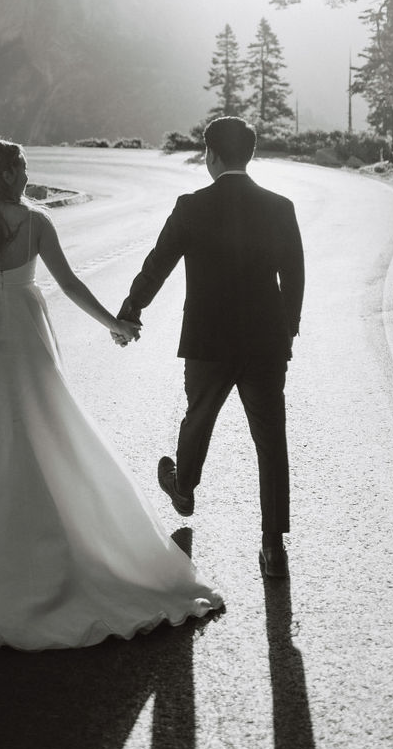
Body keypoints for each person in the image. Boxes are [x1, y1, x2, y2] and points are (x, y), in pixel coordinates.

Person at [0, 139, 222, 648]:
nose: (29, 175)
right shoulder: (36, 223)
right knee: (40, 418)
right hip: (25, 328)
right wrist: (114, 325)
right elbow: (70, 284)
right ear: (9, 174)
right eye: (25, 168)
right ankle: (48, 517)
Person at [118, 117, 304, 580]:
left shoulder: (192, 206)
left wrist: (131, 309)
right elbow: (294, 277)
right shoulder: (280, 207)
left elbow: (157, 264)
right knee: (270, 440)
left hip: (207, 340)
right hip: (264, 341)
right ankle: (272, 547)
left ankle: (183, 489)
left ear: (212, 156)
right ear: (249, 154)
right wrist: (288, 329)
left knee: (199, 415)